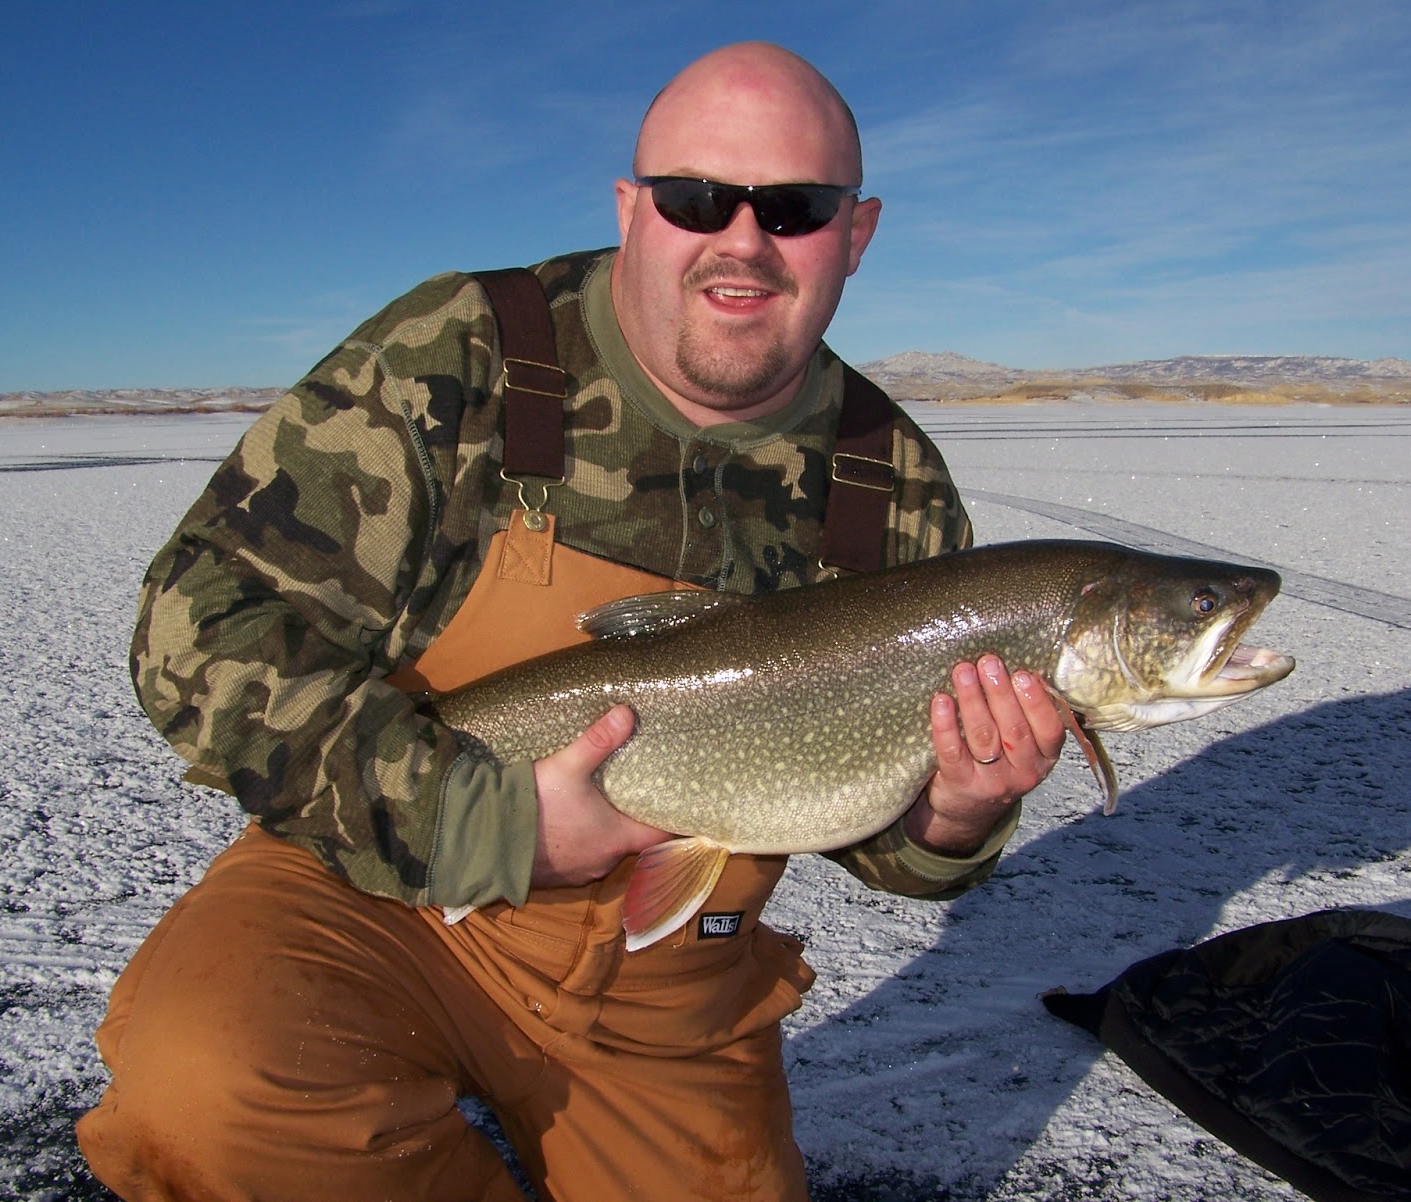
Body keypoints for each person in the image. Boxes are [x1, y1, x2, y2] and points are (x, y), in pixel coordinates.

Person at [76, 41, 1066, 1202]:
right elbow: (200, 622)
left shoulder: (888, 481)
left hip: (664, 983)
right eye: (698, 198)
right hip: (380, 887)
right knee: (211, 1095)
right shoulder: (468, 353)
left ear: (855, 232)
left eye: (794, 208)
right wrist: (480, 818)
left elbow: (873, 830)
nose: (741, 241)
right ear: (632, 208)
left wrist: (953, 810)